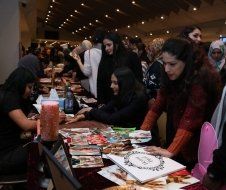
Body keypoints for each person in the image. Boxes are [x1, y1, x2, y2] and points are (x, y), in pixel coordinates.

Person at [141, 38, 221, 169]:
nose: (166, 69)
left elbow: (191, 118)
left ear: (186, 62)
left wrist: (170, 151)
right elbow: (157, 105)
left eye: (172, 64)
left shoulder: (200, 78)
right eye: (164, 63)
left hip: (197, 141)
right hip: (178, 132)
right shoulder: (170, 73)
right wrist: (141, 134)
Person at [66, 67, 148, 129]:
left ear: (125, 83)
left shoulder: (138, 98)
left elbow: (112, 119)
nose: (111, 86)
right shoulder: (122, 93)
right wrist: (85, 115)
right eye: (112, 82)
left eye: (115, 83)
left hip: (137, 137)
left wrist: (91, 110)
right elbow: (105, 109)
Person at [0, 67, 37, 175]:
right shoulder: (9, 98)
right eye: (29, 87)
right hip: (5, 155)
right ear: (20, 84)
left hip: (9, 148)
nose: (31, 91)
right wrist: (50, 120)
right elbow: (26, 125)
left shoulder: (8, 93)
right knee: (42, 150)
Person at [97, 32, 143, 104]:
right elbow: (100, 83)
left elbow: (138, 79)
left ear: (117, 43)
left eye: (109, 45)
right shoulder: (105, 60)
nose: (106, 48)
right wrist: (100, 103)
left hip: (128, 101)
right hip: (109, 102)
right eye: (104, 46)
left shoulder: (131, 56)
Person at [72, 28, 105, 98]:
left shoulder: (89, 53)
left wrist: (79, 61)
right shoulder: (109, 52)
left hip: (96, 89)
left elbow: (87, 72)